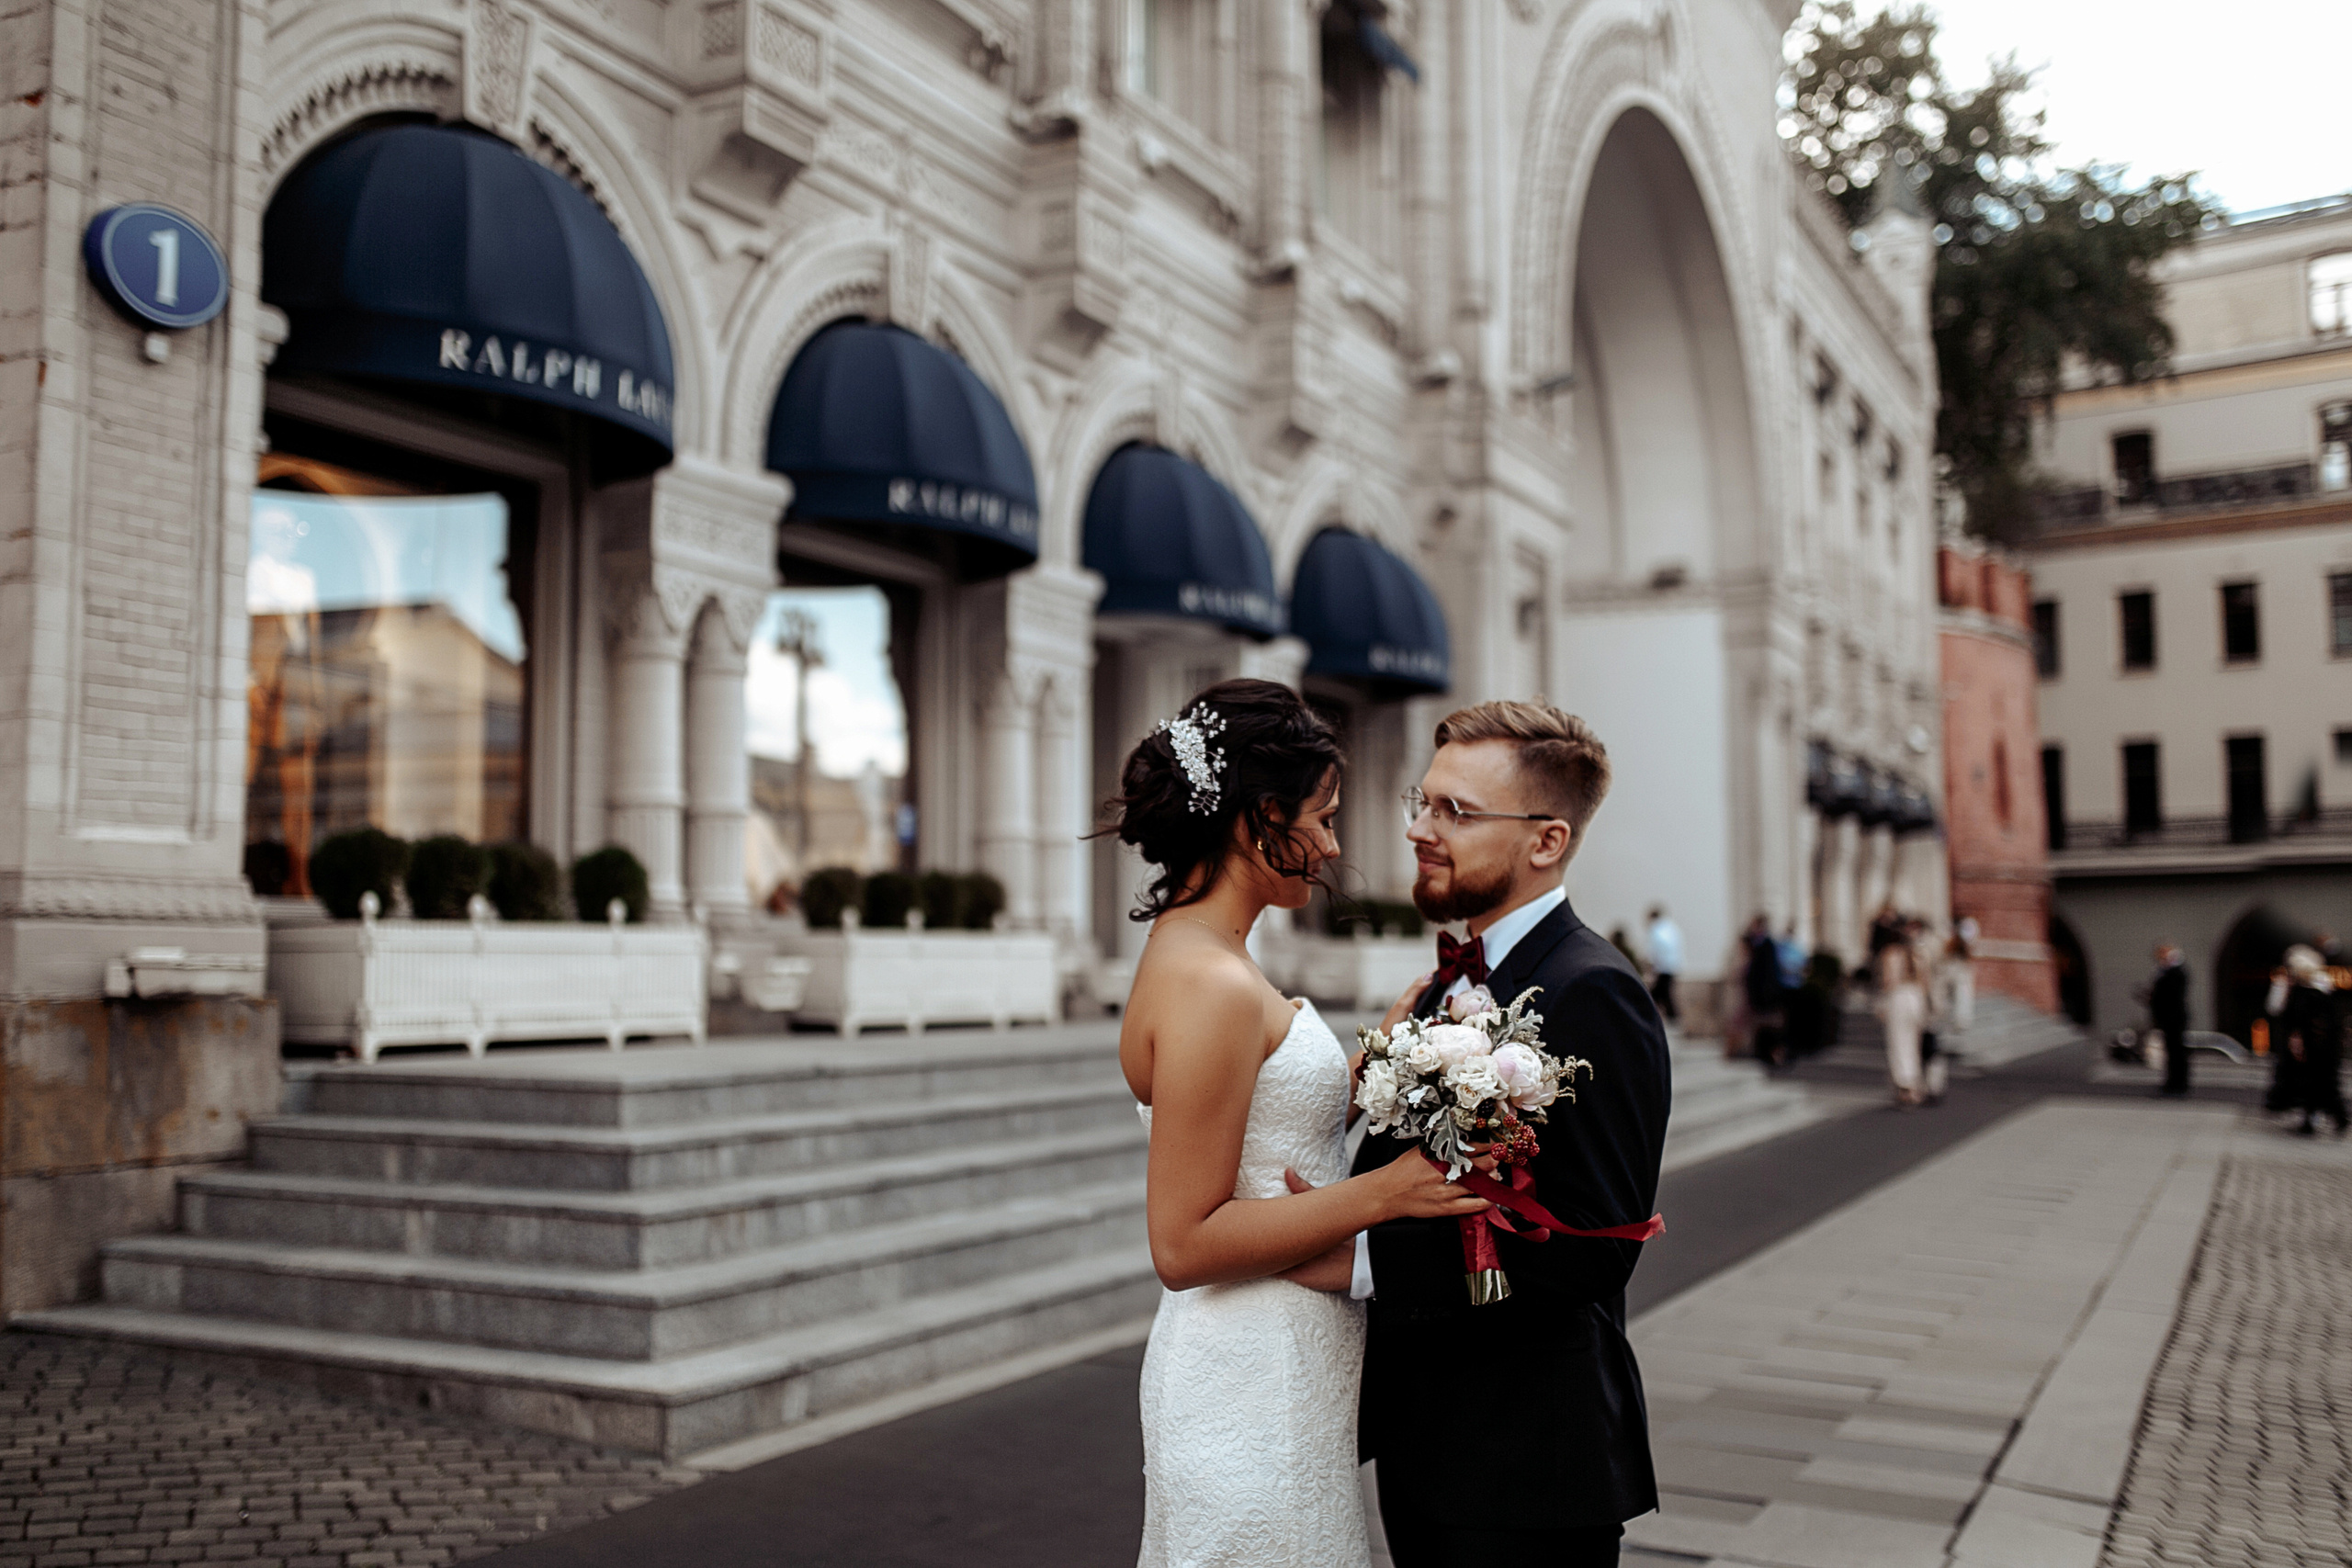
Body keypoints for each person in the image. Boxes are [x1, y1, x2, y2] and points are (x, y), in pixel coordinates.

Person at [1114, 681, 1491, 1568]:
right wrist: (1384, 1193)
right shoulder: (1210, 980)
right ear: (1258, 819)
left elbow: (1250, 1125)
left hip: (1283, 1366)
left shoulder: (1207, 956)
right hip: (1250, 1379)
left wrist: (1366, 1074)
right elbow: (1184, 1241)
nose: (1330, 843)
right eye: (1320, 817)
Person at [1351, 700, 1671, 1568]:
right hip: (1430, 1445)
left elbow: (1590, 1248)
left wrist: (1352, 1259)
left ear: (1546, 841)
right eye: (1422, 802)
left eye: (1455, 812)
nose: (1421, 827)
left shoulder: (1595, 991)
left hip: (1531, 1463)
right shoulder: (1436, 990)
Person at [2278, 945, 2346, 1136]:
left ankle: (2334, 1117)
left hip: (2318, 1048)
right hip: (2316, 1047)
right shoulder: (2311, 991)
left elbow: (2309, 1021)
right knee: (2315, 1084)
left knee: (2322, 1084)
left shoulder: (2314, 993)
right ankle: (2317, 1118)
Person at [1878, 939, 1928, 1107]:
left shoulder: (1891, 954)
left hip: (1898, 998)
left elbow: (1888, 981)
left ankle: (1904, 1087)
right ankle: (1914, 1086)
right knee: (1913, 1045)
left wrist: (1882, 1004)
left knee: (1898, 1045)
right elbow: (1924, 981)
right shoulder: (1917, 955)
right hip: (1915, 997)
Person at [1742, 914, 1787, 1066]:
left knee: (1770, 1025)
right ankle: (1763, 1052)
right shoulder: (1757, 944)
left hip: (1767, 993)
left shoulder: (1767, 944)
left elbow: (1768, 971)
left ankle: (1772, 1053)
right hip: (1759, 993)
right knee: (1761, 1024)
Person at [2148, 944, 2190, 1098]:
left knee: (2177, 1052)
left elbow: (2171, 994)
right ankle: (2174, 1082)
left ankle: (2178, 1083)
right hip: (2169, 1017)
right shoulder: (2168, 971)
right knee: (2172, 1051)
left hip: (2174, 1017)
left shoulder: (2175, 971)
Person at [1645, 904, 1682, 1025]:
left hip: (1662, 967)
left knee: (1658, 995)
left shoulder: (1656, 929)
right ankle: (1673, 1019)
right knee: (1664, 994)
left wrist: (1651, 969)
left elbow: (1654, 952)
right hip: (1672, 966)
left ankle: (1670, 1020)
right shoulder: (1670, 927)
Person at [1944, 917, 1978, 1035]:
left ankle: (1961, 1021)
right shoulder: (1955, 941)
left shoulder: (1958, 942)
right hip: (1958, 972)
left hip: (1959, 972)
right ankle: (1959, 1021)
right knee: (1959, 997)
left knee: (1961, 997)